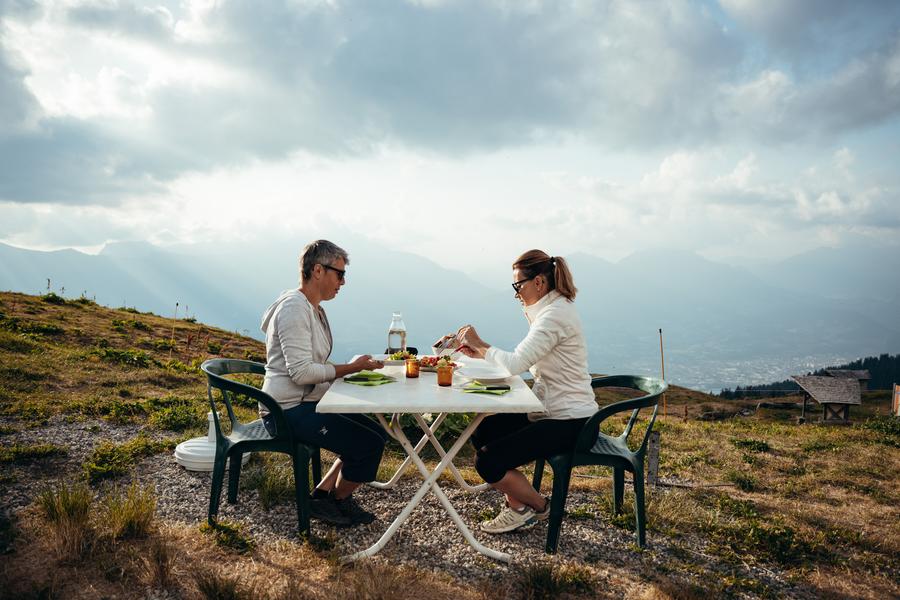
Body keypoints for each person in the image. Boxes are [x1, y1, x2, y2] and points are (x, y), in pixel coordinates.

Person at [444, 249, 598, 534]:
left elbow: (515, 363)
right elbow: (524, 358)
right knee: (483, 431)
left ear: (539, 282)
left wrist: (479, 342)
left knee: (488, 461)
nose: (516, 293)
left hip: (570, 420)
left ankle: (539, 507)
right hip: (550, 410)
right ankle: (518, 507)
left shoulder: (554, 316)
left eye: (518, 285)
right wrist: (479, 351)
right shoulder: (550, 310)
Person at [260, 239, 387, 527]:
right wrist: (351, 368)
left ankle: (325, 494)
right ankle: (331, 502)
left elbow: (312, 366)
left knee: (377, 434)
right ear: (318, 270)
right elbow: (302, 374)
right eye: (339, 274)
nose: (342, 282)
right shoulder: (295, 309)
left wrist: (352, 370)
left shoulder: (314, 308)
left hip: (306, 402)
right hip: (286, 410)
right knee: (367, 444)